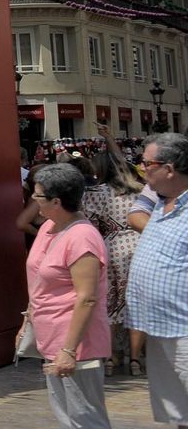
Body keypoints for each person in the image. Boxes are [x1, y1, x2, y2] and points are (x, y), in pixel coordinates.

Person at [22, 164, 120, 429]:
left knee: (87, 417)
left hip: (77, 344)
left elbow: (87, 297)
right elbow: (39, 279)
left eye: (37, 196)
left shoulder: (82, 236)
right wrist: (29, 317)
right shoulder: (51, 227)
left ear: (57, 200)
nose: (33, 202)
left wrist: (68, 349)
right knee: (68, 417)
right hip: (52, 340)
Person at [128, 132, 188, 429]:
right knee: (182, 414)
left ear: (169, 168)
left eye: (147, 164)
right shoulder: (161, 204)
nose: (141, 170)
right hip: (161, 327)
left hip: (185, 328)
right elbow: (136, 211)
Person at [82, 142, 147, 377]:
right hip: (139, 245)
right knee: (137, 305)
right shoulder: (139, 190)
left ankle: (110, 357)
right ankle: (136, 360)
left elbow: (91, 226)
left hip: (111, 247)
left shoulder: (95, 194)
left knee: (111, 303)